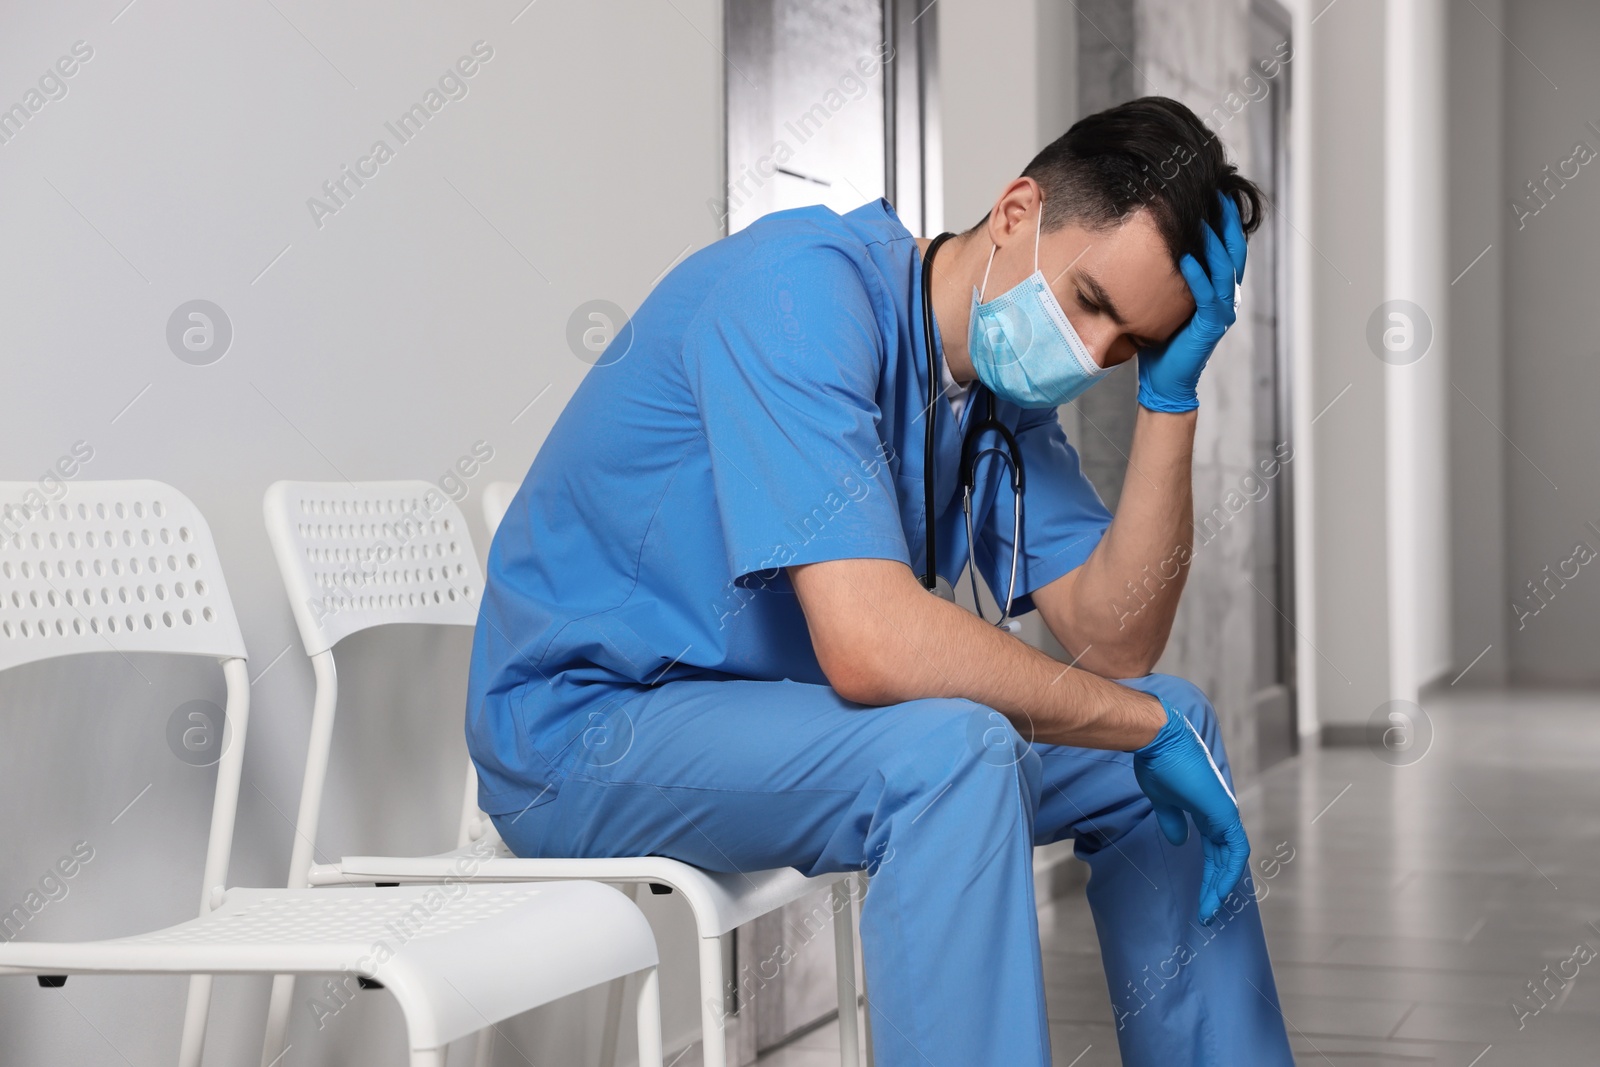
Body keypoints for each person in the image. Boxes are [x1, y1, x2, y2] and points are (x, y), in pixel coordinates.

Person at [466, 95, 1295, 1065]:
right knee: (958, 751)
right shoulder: (795, 293)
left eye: (1128, 347)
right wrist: (1136, 723)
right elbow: (871, 645)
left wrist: (1170, 397)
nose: (1091, 356)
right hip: (586, 731)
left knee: (1169, 720)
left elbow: (1114, 643)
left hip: (770, 723)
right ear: (1017, 211)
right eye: (1090, 305)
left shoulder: (992, 400)